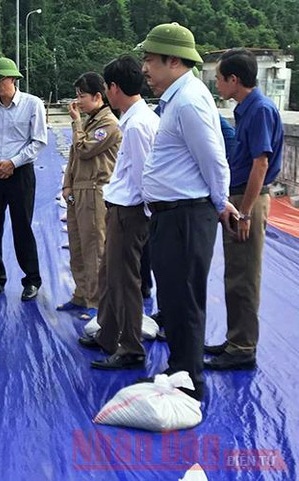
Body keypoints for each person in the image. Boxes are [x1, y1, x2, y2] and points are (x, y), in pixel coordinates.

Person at [136, 22, 239, 400]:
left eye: (150, 59)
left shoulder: (190, 100)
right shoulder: (179, 99)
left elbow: (213, 159)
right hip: (172, 213)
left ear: (173, 60)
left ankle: (189, 382)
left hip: (186, 214)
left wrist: (219, 202)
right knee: (175, 299)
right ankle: (179, 369)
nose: (145, 68)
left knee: (185, 300)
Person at [204, 48, 284, 370]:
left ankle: (243, 347)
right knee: (235, 272)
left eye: (219, 79)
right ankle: (235, 337)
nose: (217, 86)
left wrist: (246, 210)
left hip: (248, 199)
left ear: (233, 80)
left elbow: (260, 163)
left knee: (245, 275)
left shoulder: (260, 110)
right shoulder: (246, 108)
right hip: (239, 197)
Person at [78, 56, 159, 370]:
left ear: (113, 88)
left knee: (125, 281)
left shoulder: (138, 125)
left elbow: (143, 178)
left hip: (131, 210)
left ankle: (130, 347)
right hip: (122, 208)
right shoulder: (132, 118)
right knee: (109, 275)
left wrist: (145, 217)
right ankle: (108, 332)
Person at [0, 57, 47, 301]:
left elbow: (38, 141)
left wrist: (12, 163)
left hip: (21, 173)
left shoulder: (32, 104)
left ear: (13, 79)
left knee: (22, 226)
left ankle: (31, 279)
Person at [57, 72, 120, 320]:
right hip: (78, 190)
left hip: (95, 191)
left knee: (95, 247)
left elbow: (83, 150)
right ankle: (81, 294)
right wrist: (66, 185)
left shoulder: (107, 125)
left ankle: (96, 302)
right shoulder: (90, 123)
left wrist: (75, 122)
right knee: (77, 245)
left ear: (97, 96)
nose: (78, 102)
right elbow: (72, 157)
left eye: (81, 96)